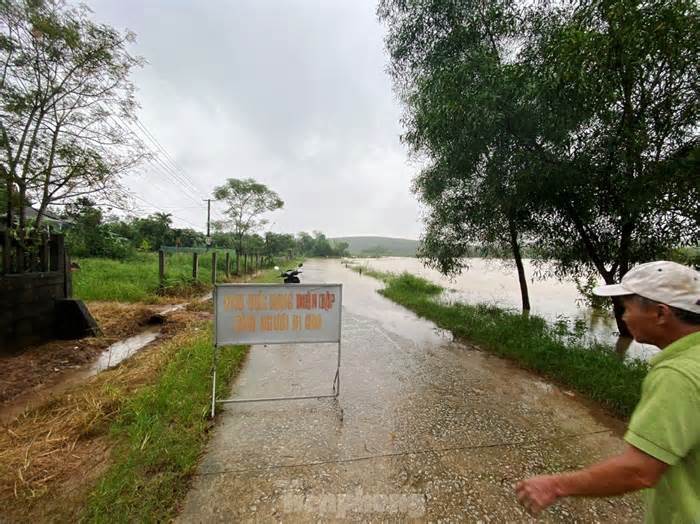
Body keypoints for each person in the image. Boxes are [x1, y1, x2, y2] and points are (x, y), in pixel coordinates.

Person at [515, 260, 700, 523]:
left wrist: (555, 485)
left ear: (660, 314)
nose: (623, 317)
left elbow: (639, 471)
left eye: (626, 307)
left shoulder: (678, 376)